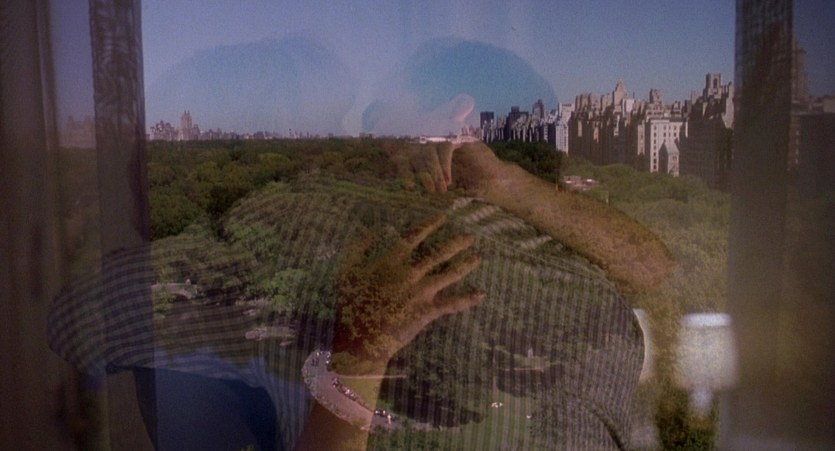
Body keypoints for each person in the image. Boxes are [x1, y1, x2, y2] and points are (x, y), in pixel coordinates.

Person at [49, 141, 672, 450]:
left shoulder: (500, 213)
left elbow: (651, 268)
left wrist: (506, 184)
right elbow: (83, 318)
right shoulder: (279, 246)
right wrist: (364, 349)